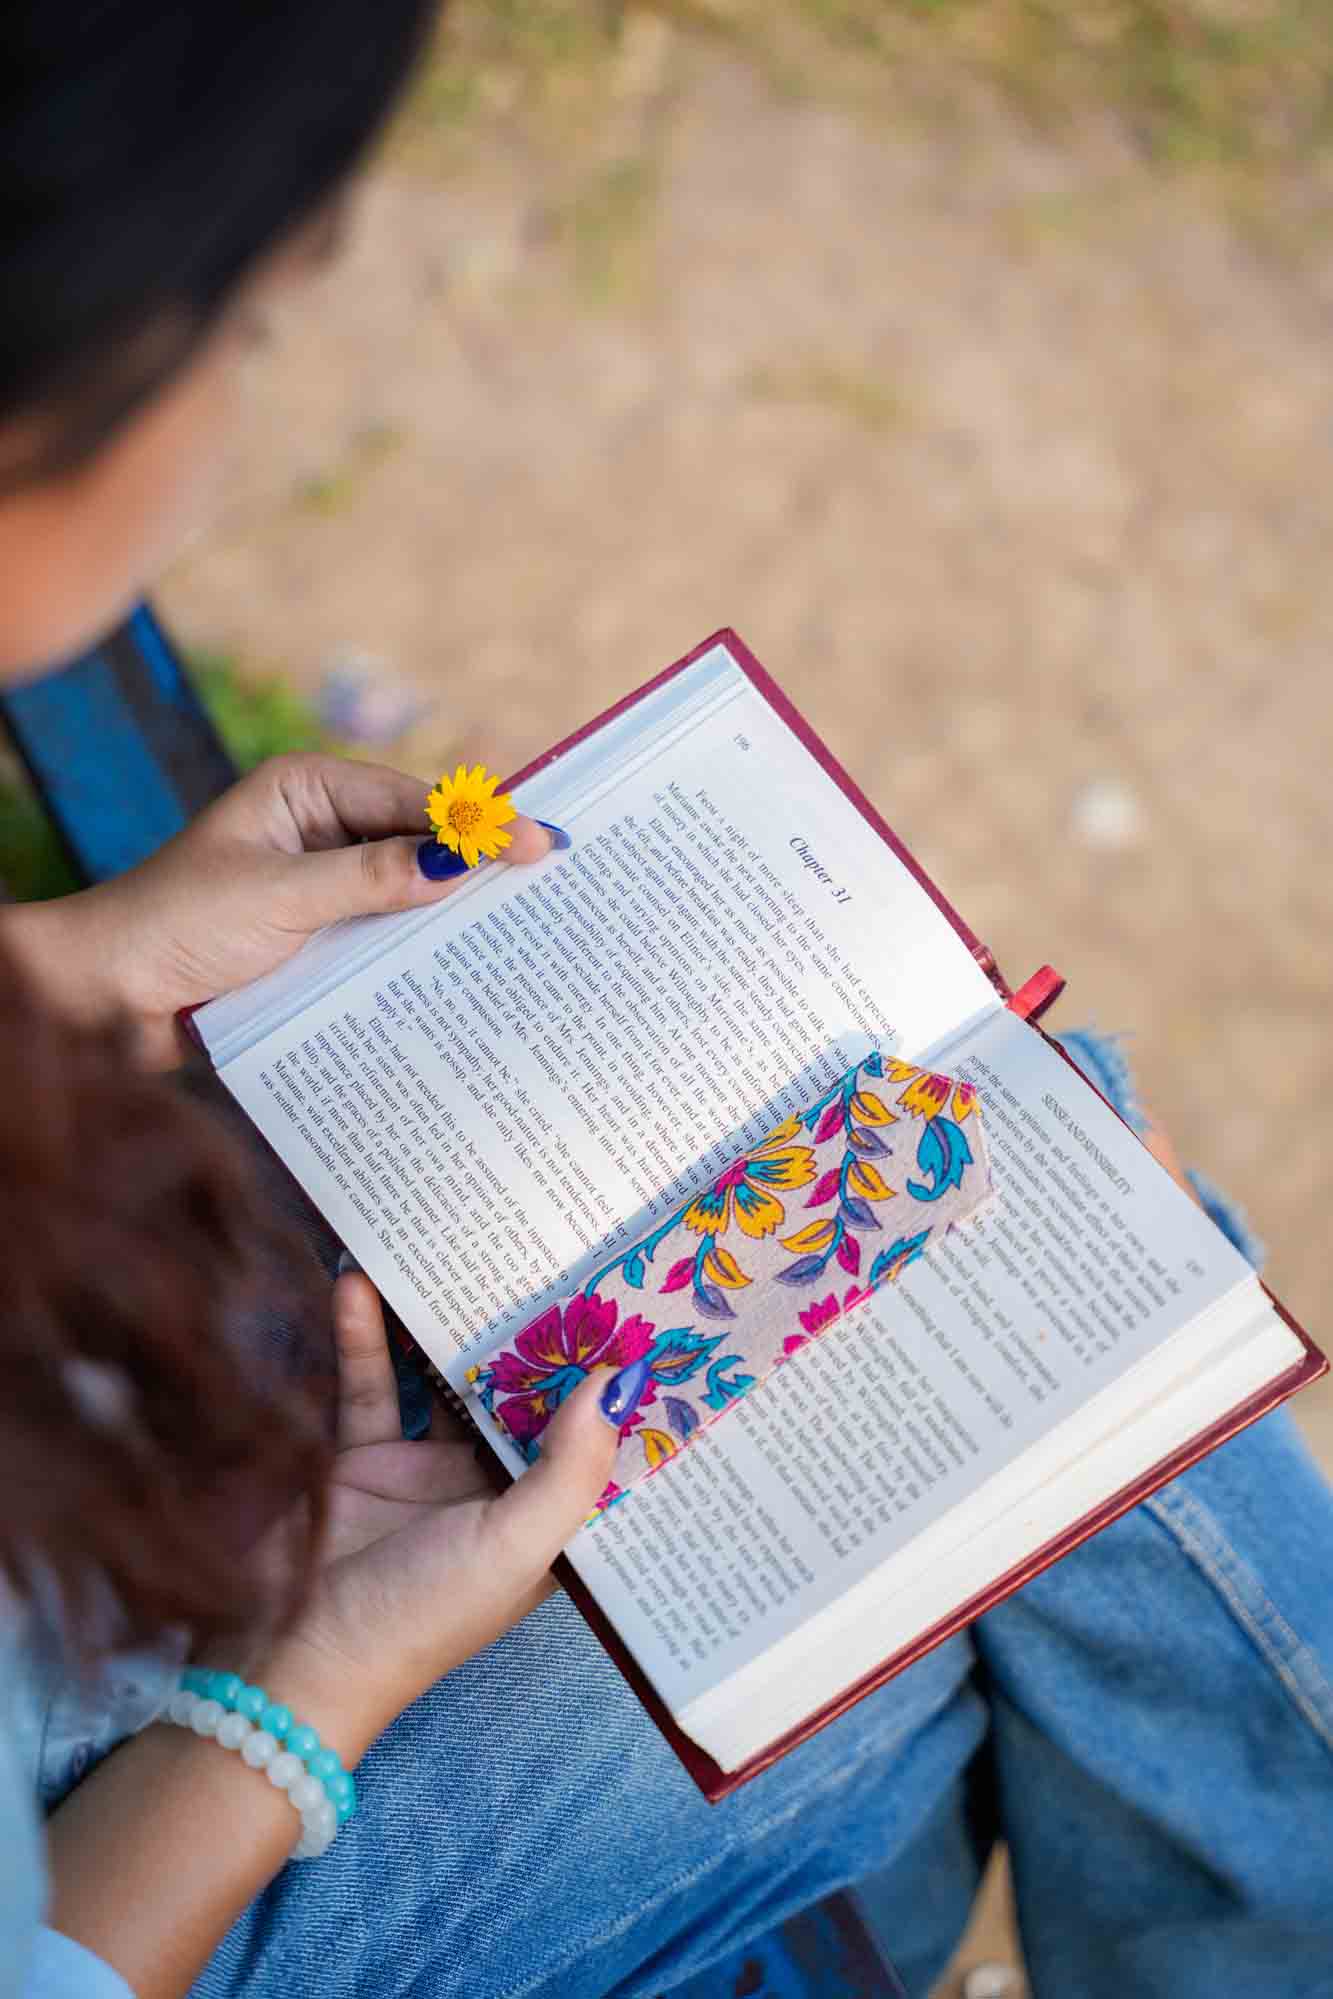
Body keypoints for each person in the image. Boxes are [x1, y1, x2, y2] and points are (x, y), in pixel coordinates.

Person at [2, 8, 1331, 1997]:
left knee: (1025, 1224)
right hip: (119, 1846)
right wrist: (310, 1682)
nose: (236, 410)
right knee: (998, 1372)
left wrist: (69, 971)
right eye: (249, 327)